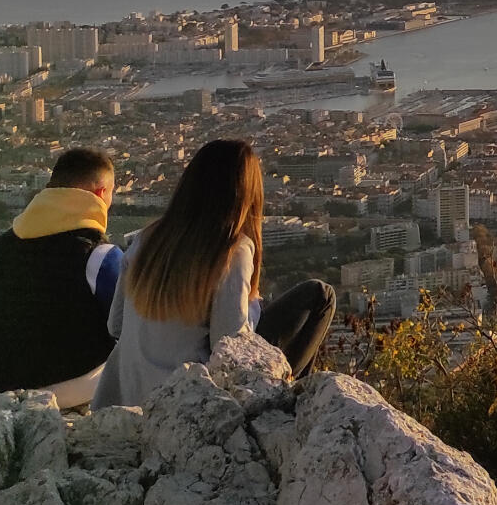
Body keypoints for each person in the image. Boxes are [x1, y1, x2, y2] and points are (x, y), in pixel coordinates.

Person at [92, 139, 334, 408]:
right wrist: (252, 308)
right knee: (320, 295)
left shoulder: (148, 238)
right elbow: (230, 346)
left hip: (125, 395)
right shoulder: (232, 249)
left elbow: (115, 325)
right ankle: (289, 401)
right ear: (247, 193)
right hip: (187, 401)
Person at [0, 148, 122, 408]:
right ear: (101, 194)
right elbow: (128, 323)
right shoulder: (99, 256)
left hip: (5, 390)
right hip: (76, 387)